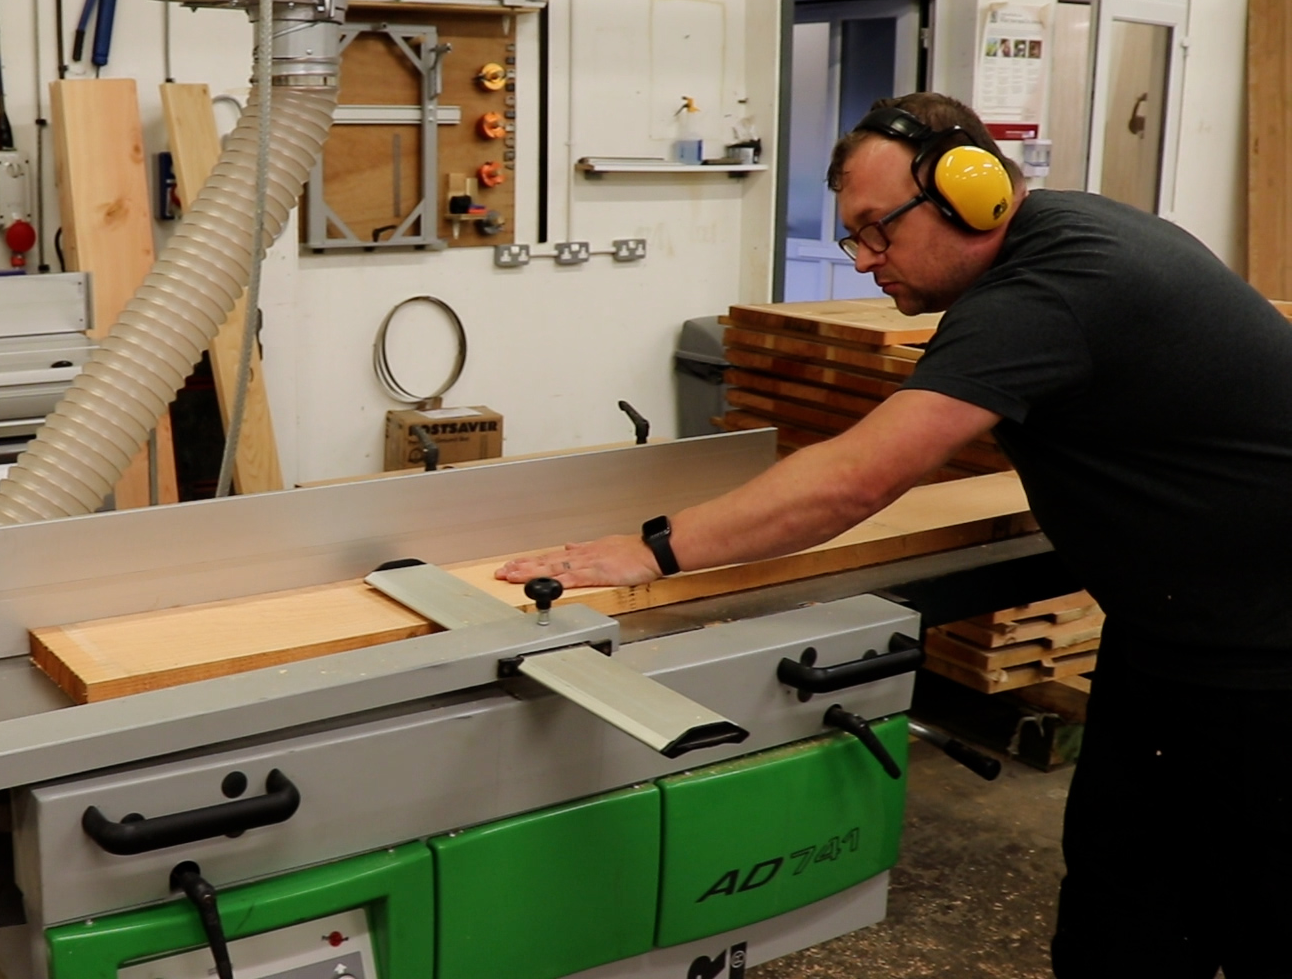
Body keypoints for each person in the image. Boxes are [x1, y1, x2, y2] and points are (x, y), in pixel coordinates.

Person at [496, 91, 1292, 978]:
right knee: (1121, 914)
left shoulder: (1048, 291)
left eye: (880, 228)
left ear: (973, 193)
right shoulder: (1064, 242)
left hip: (1263, 660)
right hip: (1175, 638)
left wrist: (650, 552)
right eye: (854, 237)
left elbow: (856, 479)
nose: (868, 259)